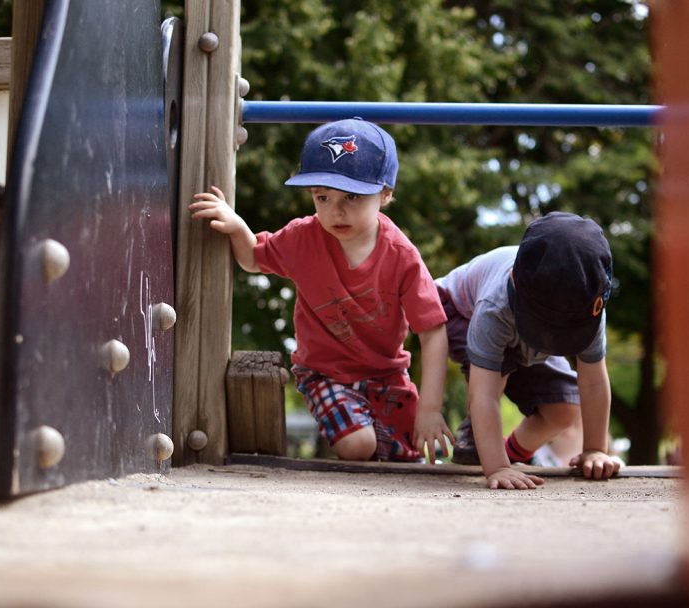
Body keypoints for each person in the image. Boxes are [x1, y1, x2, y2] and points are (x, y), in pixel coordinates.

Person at [189, 118, 453, 462]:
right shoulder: (303, 238)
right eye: (322, 196)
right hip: (324, 372)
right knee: (359, 445)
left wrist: (431, 409)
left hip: (386, 373)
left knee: (418, 454)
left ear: (385, 194)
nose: (335, 211)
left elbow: (432, 331)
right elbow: (254, 257)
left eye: (353, 196)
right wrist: (238, 227)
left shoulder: (402, 257)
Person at [435, 212, 621, 489]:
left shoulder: (587, 306)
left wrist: (595, 449)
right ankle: (480, 441)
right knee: (501, 367)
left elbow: (593, 382)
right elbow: (483, 393)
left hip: (525, 329)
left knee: (564, 409)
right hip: (457, 311)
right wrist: (496, 469)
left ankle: (509, 452)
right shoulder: (494, 307)